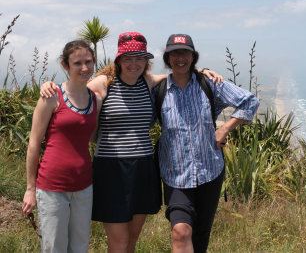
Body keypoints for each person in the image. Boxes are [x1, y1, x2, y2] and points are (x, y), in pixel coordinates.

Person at [39, 32, 222, 252]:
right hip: (111, 169)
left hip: (144, 169)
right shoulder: (103, 84)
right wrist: (49, 85)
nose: (134, 63)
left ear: (146, 61)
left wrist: (200, 71)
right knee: (119, 241)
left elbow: (178, 74)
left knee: (133, 240)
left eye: (139, 58)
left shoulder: (148, 82)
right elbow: (74, 87)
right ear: (118, 60)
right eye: (128, 58)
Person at [157, 34, 260, 253]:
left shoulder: (209, 84)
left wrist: (224, 128)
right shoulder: (158, 90)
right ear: (167, 58)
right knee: (181, 231)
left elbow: (249, 101)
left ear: (193, 56)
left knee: (201, 234)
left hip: (209, 171)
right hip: (176, 175)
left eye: (185, 52)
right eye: (174, 53)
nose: (180, 58)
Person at [22, 40, 102, 253]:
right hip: (52, 187)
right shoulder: (51, 97)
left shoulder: (95, 100)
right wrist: (30, 189)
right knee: (54, 248)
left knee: (79, 247)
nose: (84, 68)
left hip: (84, 185)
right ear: (65, 66)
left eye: (88, 62)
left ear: (94, 62)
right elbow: (33, 143)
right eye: (77, 63)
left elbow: (93, 137)